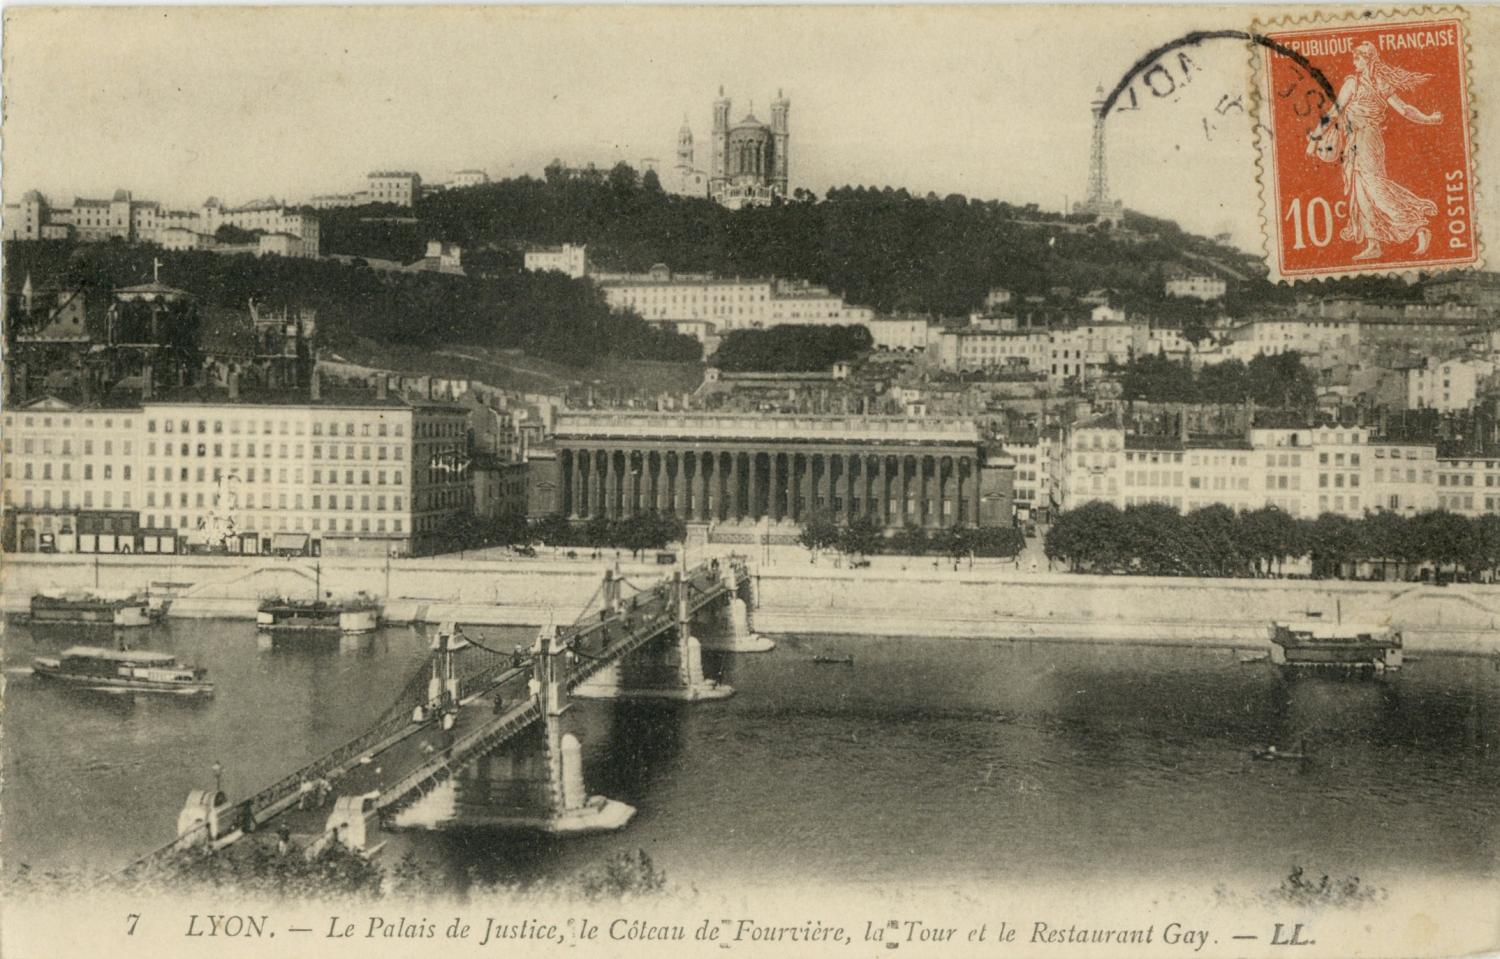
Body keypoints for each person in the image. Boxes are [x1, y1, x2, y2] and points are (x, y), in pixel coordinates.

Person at [1315, 41, 1443, 261]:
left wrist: (1429, 119)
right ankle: (1374, 244)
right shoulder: (1361, 83)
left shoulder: (1364, 83)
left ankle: (1416, 225)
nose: (1354, 62)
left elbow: (1403, 109)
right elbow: (1337, 110)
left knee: (1374, 188)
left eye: (1358, 58)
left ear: (1368, 60)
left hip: (1367, 139)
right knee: (1360, 191)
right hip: (1357, 141)